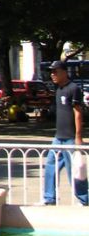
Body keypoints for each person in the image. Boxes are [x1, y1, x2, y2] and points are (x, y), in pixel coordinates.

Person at [43, 61, 88, 206]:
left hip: (70, 139)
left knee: (74, 170)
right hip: (58, 138)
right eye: (51, 72)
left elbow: (78, 112)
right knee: (50, 165)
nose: (52, 75)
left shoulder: (73, 88)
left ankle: (84, 199)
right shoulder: (58, 89)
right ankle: (49, 198)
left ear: (64, 72)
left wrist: (78, 137)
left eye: (55, 71)